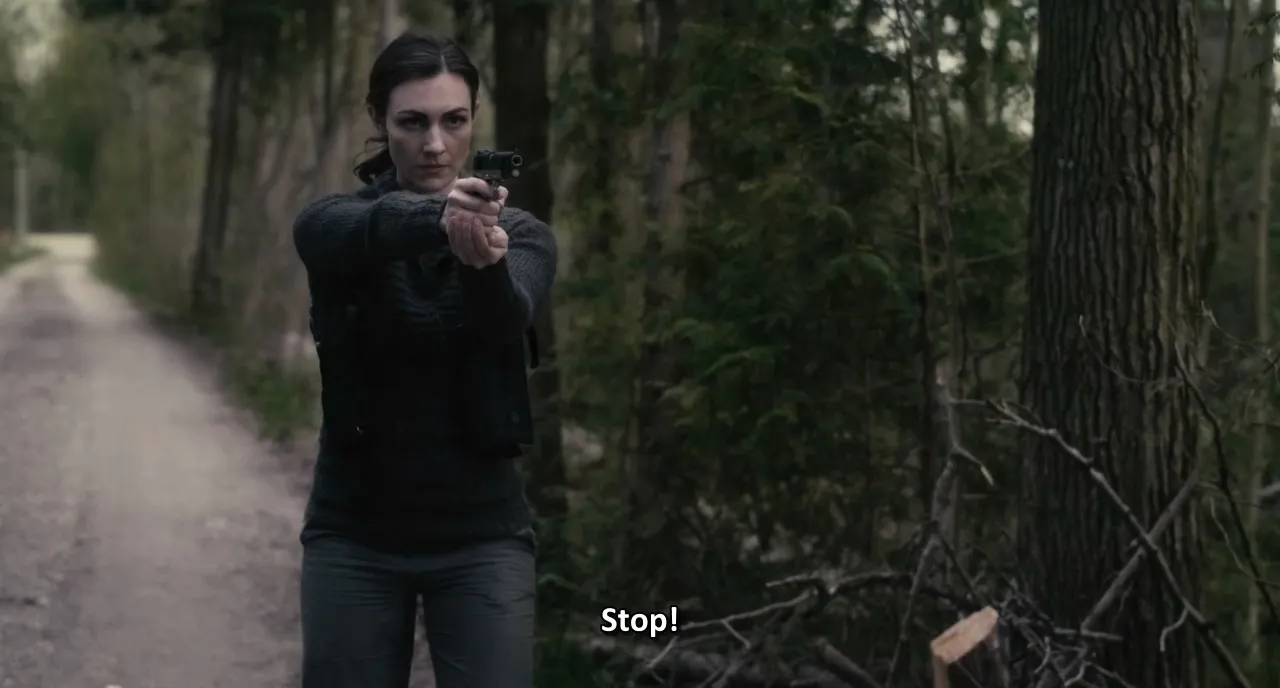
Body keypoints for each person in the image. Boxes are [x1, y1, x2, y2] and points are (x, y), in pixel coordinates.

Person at [289, 31, 556, 688]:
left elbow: (506, 319)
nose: (434, 143)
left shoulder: (522, 235)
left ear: (474, 121)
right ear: (380, 121)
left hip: (483, 537)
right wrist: (437, 220)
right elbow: (325, 232)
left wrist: (482, 263)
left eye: (453, 121)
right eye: (413, 122)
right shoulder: (341, 223)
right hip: (354, 534)